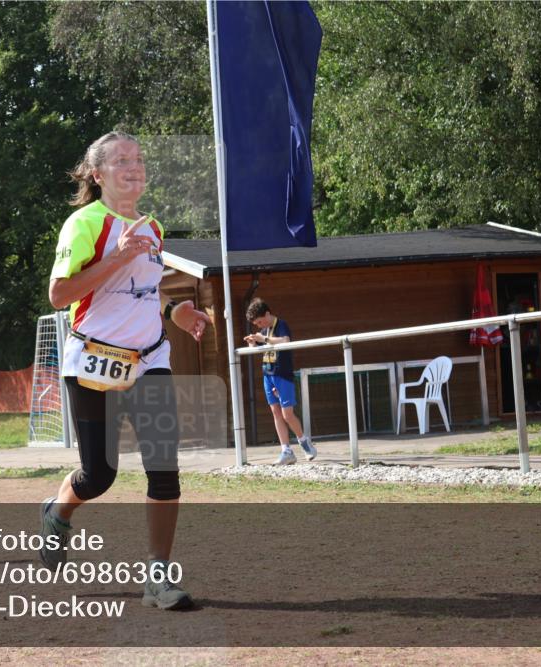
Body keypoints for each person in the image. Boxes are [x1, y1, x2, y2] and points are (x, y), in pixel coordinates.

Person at [38, 131, 210, 611]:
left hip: (150, 358)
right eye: (120, 160)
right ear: (98, 174)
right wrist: (118, 255)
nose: (134, 167)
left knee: (164, 468)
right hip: (93, 360)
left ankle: (158, 576)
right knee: (99, 476)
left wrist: (177, 311)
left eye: (138, 159)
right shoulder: (84, 223)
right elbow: (59, 296)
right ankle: (57, 510)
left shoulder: (152, 227)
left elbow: (146, 292)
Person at [245, 298, 316, 465]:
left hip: (282, 374)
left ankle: (305, 443)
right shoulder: (263, 331)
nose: (259, 325)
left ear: (267, 314)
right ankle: (286, 450)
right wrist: (252, 343)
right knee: (276, 413)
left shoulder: (281, 324)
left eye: (260, 321)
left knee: (287, 414)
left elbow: (285, 341)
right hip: (268, 374)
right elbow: (256, 348)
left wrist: (264, 340)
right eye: (256, 323)